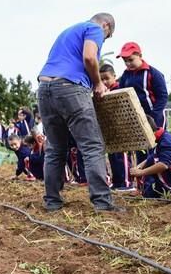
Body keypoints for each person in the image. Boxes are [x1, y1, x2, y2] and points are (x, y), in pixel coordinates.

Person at [37, 12, 123, 212]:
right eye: (107, 37)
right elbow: (89, 56)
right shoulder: (94, 28)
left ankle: (52, 202)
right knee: (92, 146)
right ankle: (103, 203)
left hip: (44, 89)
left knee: (55, 149)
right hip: (71, 88)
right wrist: (98, 83)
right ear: (106, 26)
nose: (104, 40)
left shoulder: (67, 32)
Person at [130, 116, 171, 198]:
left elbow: (163, 165)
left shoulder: (166, 142)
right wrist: (139, 167)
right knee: (149, 194)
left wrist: (141, 172)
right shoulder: (160, 137)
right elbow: (153, 156)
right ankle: (160, 189)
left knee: (156, 162)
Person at [117, 42, 168, 129]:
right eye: (125, 61)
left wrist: (153, 115)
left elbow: (163, 96)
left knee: (158, 141)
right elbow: (120, 93)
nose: (128, 64)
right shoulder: (125, 75)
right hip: (135, 118)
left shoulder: (153, 73)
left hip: (154, 118)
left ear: (140, 56)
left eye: (131, 60)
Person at [100, 64, 132, 190]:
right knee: (112, 156)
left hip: (122, 128)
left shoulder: (119, 89)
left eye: (107, 78)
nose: (104, 82)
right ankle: (117, 182)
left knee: (122, 156)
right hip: (111, 129)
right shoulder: (103, 92)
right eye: (101, 79)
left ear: (114, 76)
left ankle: (126, 183)